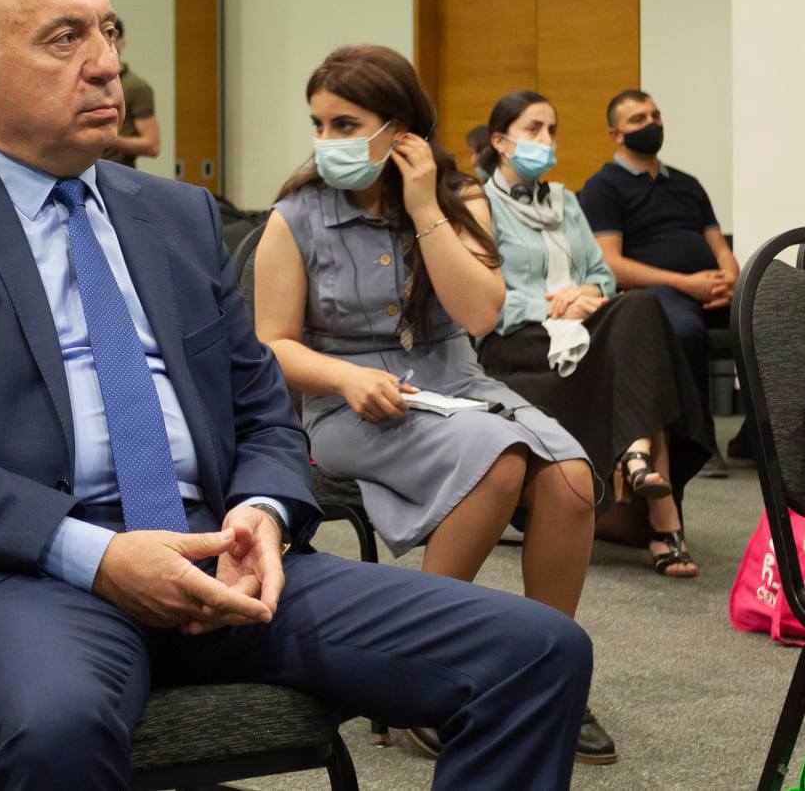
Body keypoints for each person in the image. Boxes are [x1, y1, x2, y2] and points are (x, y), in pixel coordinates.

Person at [0, 0, 591, 791]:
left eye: (109, 32)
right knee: (58, 724)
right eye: (64, 38)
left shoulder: (177, 215)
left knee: (534, 651)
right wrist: (98, 555)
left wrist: (262, 510)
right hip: (21, 570)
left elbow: (262, 412)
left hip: (220, 550)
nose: (105, 64)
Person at [253, 47, 607, 764]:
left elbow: (480, 315)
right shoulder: (295, 217)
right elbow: (271, 345)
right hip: (348, 404)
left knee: (571, 479)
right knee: (499, 461)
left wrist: (421, 207)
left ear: (401, 129)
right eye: (319, 124)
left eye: (345, 124)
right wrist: (343, 379)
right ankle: (419, 675)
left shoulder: (457, 199)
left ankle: (534, 673)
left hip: (457, 385)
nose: (327, 141)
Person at [473, 90, 712, 580]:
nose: (546, 140)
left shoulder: (566, 200)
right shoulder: (479, 205)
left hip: (581, 325)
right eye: (533, 129)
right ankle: (661, 512)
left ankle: (638, 457)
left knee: (640, 306)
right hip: (519, 338)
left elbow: (603, 274)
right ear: (499, 141)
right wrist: (552, 305)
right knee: (639, 338)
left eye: (552, 130)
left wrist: (585, 293)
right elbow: (480, 300)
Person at [577, 90, 739, 468]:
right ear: (616, 134)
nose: (651, 124)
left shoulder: (687, 183)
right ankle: (698, 443)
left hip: (709, 290)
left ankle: (757, 436)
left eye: (655, 115)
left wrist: (732, 279)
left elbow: (719, 245)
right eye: (638, 119)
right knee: (684, 331)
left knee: (767, 320)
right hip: (654, 293)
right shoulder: (603, 187)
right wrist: (687, 283)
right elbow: (611, 264)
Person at [100, 18, 160, 167]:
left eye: (111, 35)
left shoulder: (135, 87)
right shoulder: (88, 82)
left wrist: (108, 137)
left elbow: (152, 145)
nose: (107, 42)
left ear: (122, 42)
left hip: (118, 170)